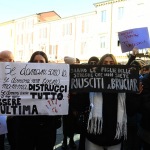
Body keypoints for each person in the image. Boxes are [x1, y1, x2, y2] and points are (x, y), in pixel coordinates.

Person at [15, 51, 58, 150]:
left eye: (41, 62)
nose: (38, 64)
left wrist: (64, 98)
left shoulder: (55, 79)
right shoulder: (21, 78)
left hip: (47, 127)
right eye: (35, 61)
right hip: (26, 127)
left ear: (46, 63)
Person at [85, 54, 127, 150]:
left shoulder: (122, 84)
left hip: (114, 136)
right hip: (94, 135)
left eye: (111, 63)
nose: (108, 65)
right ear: (100, 65)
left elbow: (131, 107)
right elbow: (81, 103)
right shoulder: (91, 82)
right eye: (105, 62)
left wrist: (136, 94)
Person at [0, 50, 15, 150]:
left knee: (15, 142)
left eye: (1, 59)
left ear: (10, 61)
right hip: (1, 118)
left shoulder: (22, 74)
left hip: (14, 118)